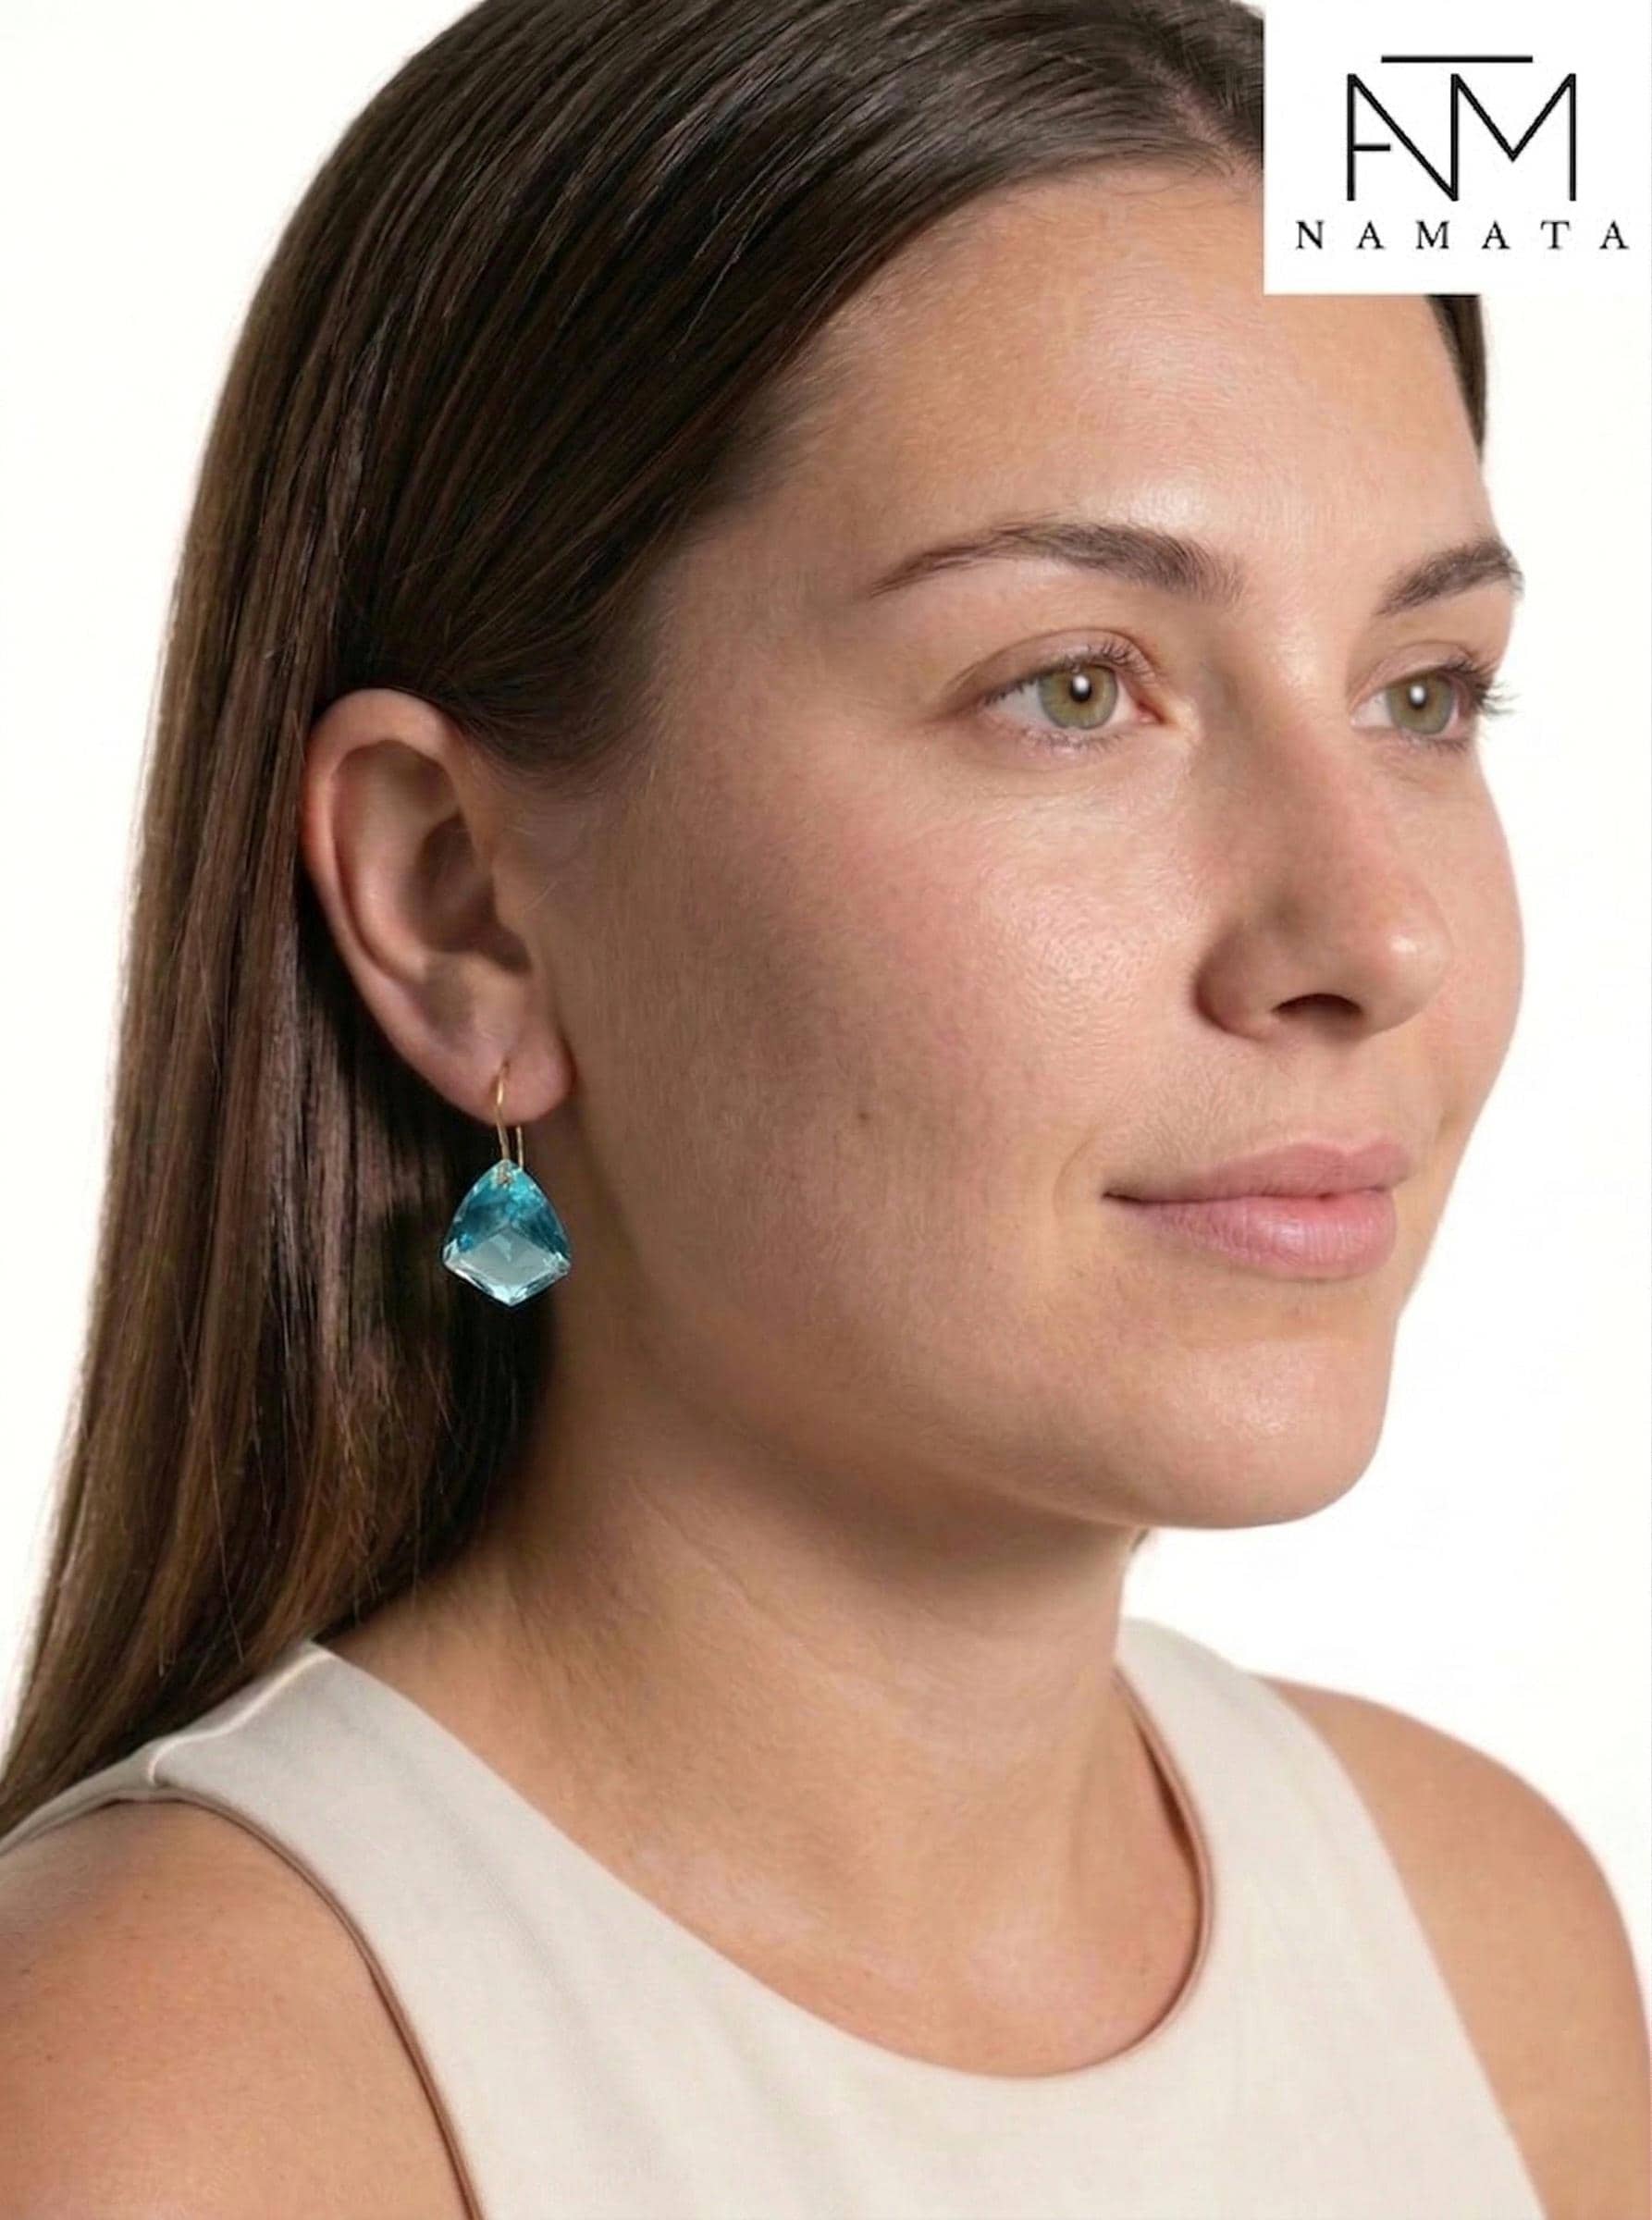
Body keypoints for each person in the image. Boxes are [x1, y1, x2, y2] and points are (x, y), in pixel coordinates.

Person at [1, 0, 1646, 2214]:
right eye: (1073, 690)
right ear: (458, 902)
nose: (1373, 932)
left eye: (1420, 694)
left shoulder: (1488, 1951)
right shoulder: (164, 2107)